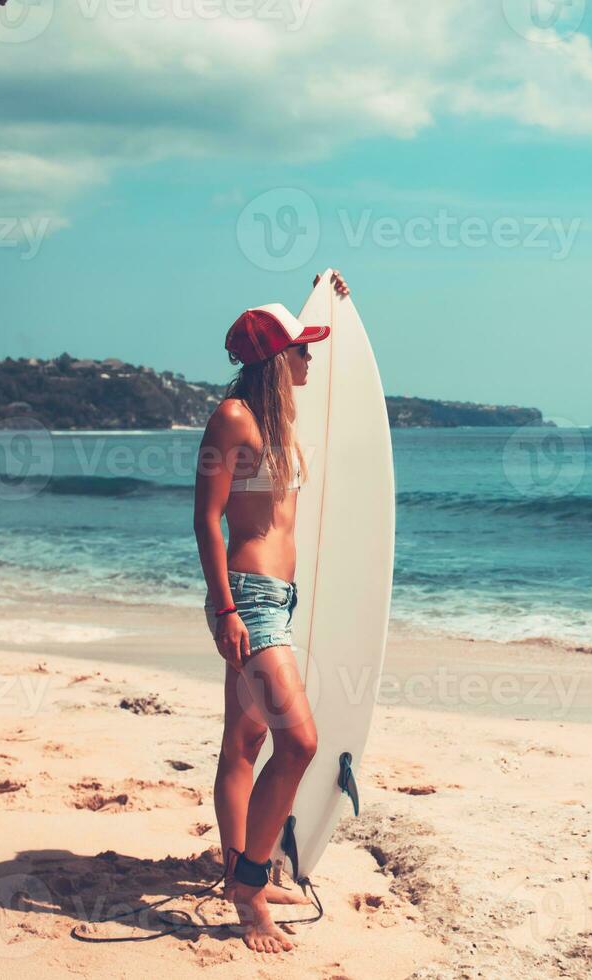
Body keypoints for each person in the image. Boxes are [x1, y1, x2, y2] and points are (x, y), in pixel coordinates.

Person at [191, 272, 349, 952]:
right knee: (301, 742)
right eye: (303, 348)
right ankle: (249, 888)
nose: (312, 358)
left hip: (276, 599)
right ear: (275, 358)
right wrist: (225, 607)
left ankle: (235, 868)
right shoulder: (233, 419)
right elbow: (207, 520)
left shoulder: (279, 420)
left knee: (245, 744)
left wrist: (324, 292)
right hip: (249, 600)